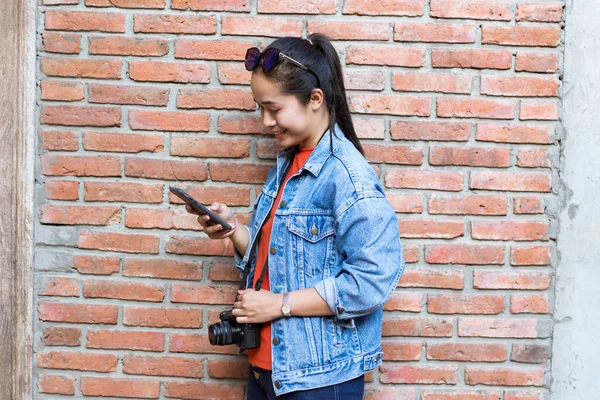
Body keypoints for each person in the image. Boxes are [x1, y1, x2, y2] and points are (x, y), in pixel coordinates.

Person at [187, 33, 405, 399]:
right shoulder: (288, 164)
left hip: (317, 381)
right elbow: (279, 259)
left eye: (274, 109)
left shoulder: (348, 177)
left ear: (315, 99)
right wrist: (236, 230)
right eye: (259, 108)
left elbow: (373, 280)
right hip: (267, 370)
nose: (265, 121)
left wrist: (279, 304)